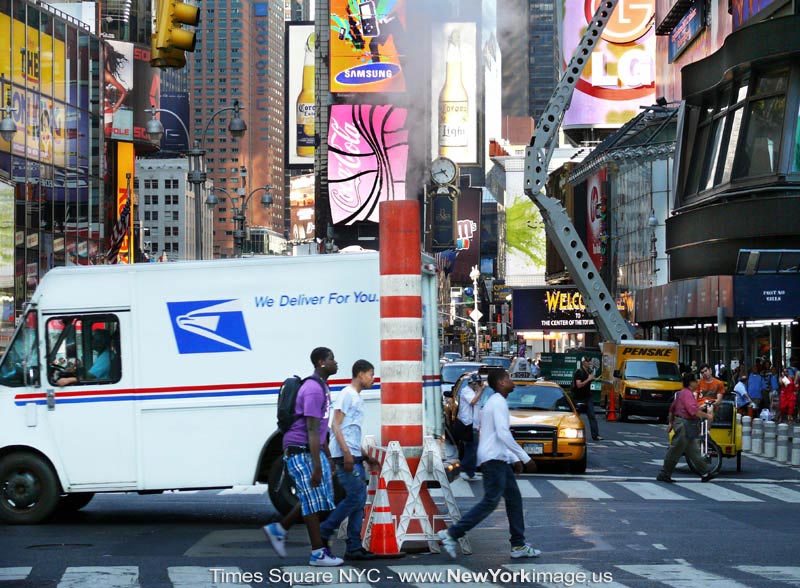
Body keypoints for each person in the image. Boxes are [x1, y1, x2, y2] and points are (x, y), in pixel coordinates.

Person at [437, 369, 540, 559]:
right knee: (490, 502)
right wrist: (524, 457)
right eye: (508, 378)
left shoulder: (494, 402)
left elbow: (495, 434)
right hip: (494, 460)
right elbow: (503, 434)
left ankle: (518, 544)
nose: (512, 381)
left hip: (497, 458)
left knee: (514, 499)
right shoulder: (498, 402)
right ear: (501, 383)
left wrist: (513, 458)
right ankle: (452, 534)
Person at [263, 347, 343, 567]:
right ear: (321, 362)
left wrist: (327, 457)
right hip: (300, 449)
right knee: (311, 500)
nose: (336, 362)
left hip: (310, 449)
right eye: (332, 359)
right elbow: (311, 430)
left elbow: (321, 428)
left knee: (318, 497)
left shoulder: (322, 386)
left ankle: (279, 529)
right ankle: (318, 553)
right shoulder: (313, 389)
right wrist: (317, 466)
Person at [318, 359, 378, 560]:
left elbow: (350, 431)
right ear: (360, 374)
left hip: (352, 454)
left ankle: (354, 547)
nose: (372, 378)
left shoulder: (356, 397)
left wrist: (365, 456)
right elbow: (335, 426)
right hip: (345, 456)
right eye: (370, 374)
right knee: (356, 497)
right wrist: (346, 453)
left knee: (359, 500)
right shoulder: (347, 395)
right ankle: (324, 530)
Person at [657, 371, 715, 484]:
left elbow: (672, 409)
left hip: (685, 424)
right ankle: (664, 473)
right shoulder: (687, 394)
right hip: (684, 425)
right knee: (675, 450)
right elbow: (693, 411)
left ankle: (705, 473)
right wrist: (707, 415)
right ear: (690, 383)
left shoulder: (681, 393)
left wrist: (670, 423)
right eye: (695, 381)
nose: (697, 383)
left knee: (694, 450)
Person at [457, 373, 486, 481]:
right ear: (473, 383)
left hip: (474, 425)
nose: (479, 385)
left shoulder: (474, 392)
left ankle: (470, 472)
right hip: (468, 425)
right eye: (477, 383)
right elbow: (473, 402)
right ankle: (465, 470)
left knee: (472, 449)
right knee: (471, 449)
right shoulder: (466, 391)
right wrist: (481, 390)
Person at [571, 357, 603, 441]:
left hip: (587, 396)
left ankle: (595, 435)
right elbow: (579, 385)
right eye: (586, 361)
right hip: (578, 397)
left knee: (592, 416)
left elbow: (592, 379)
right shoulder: (579, 372)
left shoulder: (589, 371)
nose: (588, 362)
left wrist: (592, 378)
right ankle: (573, 434)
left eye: (589, 361)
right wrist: (588, 379)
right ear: (583, 362)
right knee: (576, 417)